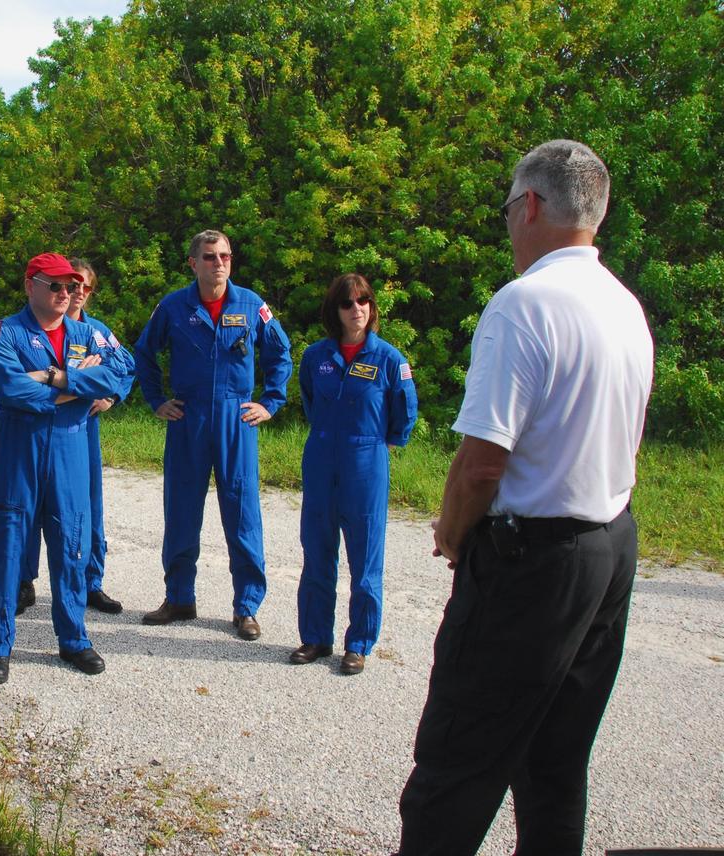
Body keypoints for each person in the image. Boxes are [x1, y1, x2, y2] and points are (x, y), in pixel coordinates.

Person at [396, 140, 654, 854]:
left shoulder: (525, 304)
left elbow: (481, 465)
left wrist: (451, 533)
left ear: (532, 205)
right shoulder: (624, 306)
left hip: (533, 559)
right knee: (555, 767)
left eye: (510, 208)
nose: (510, 223)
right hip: (608, 547)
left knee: (454, 768)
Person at [0, 253, 131, 685]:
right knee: (7, 547)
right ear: (31, 286)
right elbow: (14, 391)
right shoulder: (4, 334)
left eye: (71, 286)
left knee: (71, 545)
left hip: (69, 451)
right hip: (19, 451)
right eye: (56, 286)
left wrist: (56, 378)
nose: (66, 294)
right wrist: (80, 387)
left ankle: (74, 639)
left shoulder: (88, 333)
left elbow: (120, 374)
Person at [132, 230, 292, 639]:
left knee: (242, 515)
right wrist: (156, 400)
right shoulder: (172, 306)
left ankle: (247, 606)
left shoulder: (251, 305)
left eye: (224, 256)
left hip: (236, 420)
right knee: (182, 512)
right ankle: (180, 597)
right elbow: (144, 354)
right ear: (192, 263)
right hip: (189, 418)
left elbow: (281, 355)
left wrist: (270, 403)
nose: (218, 263)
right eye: (208, 256)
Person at [291, 274, 417, 675]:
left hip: (367, 462)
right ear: (336, 311)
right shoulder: (315, 357)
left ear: (372, 306)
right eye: (347, 303)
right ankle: (315, 637)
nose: (356, 309)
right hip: (322, 457)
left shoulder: (390, 359)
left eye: (363, 301)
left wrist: (383, 443)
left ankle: (359, 642)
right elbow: (311, 401)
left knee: (365, 560)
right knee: (317, 551)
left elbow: (405, 411)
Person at [16, 258, 134, 616]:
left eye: (84, 286)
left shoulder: (95, 332)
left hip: (82, 426)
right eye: (69, 285)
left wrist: (111, 397)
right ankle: (23, 580)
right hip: (37, 427)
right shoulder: (34, 328)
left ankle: (89, 580)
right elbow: (20, 384)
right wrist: (80, 382)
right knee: (31, 504)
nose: (76, 292)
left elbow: (125, 366)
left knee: (87, 505)